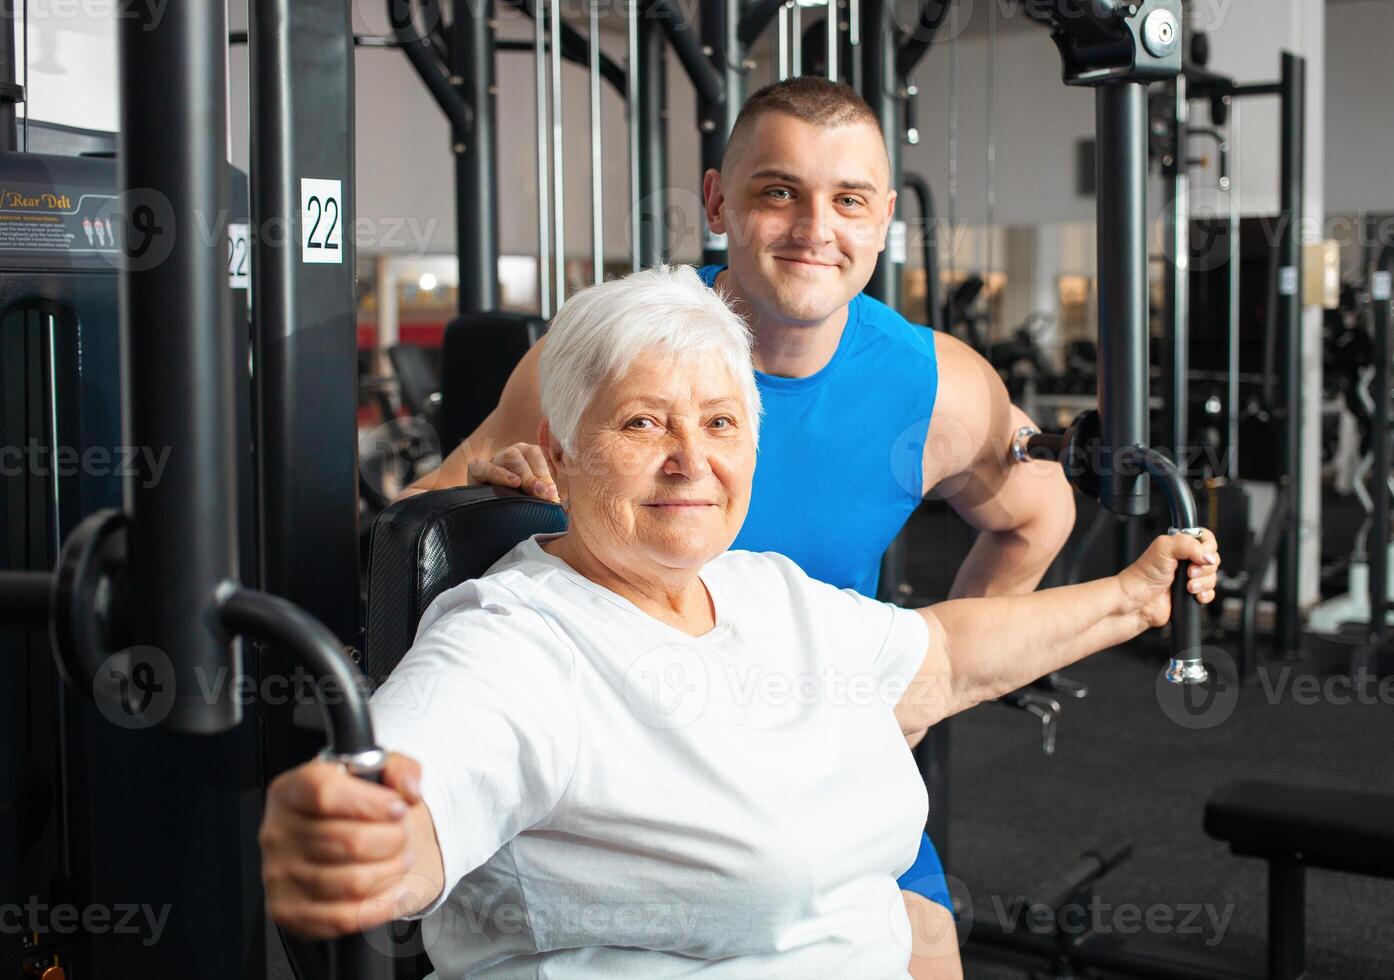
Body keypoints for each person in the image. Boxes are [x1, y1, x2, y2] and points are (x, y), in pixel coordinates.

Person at [260, 268, 1220, 979]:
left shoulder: (764, 590)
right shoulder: (513, 638)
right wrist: (358, 841)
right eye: (642, 424)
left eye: (719, 424)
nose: (691, 460)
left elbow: (944, 656)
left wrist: (1133, 598)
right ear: (560, 446)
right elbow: (419, 790)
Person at [400, 76, 1077, 975]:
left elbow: (1037, 516)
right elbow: (411, 537)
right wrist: (487, 489)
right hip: (636, 786)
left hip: (820, 774)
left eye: (849, 201)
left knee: (927, 943)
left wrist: (907, 707)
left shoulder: (938, 386)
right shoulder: (609, 350)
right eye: (778, 192)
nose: (815, 230)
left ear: (882, 222)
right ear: (718, 200)